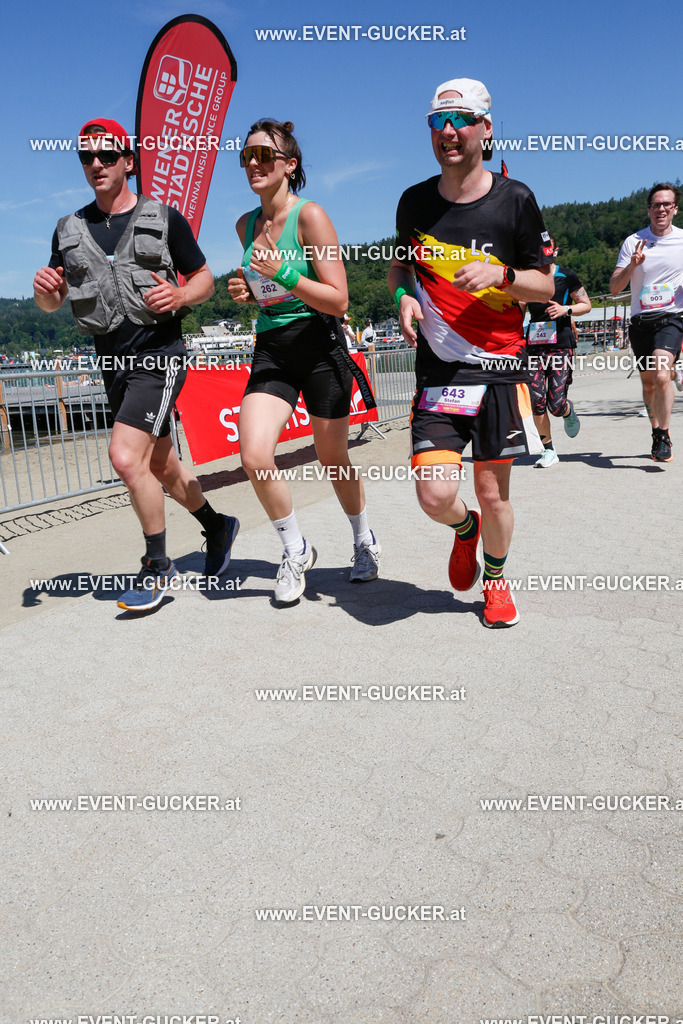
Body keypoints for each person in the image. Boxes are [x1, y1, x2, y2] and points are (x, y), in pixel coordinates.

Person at [33, 119, 239, 611]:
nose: (96, 164)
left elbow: (205, 278)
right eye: (87, 157)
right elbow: (51, 305)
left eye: (106, 155)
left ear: (130, 161)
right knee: (162, 464)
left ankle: (156, 568)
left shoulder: (165, 218)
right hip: (111, 361)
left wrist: (183, 292)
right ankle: (218, 527)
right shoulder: (68, 230)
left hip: (159, 356)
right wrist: (48, 296)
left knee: (126, 458)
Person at [387, 78, 554, 627]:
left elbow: (546, 287)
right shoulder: (413, 202)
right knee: (435, 495)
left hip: (501, 367)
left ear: (486, 128)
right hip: (440, 369)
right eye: (440, 122)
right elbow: (400, 268)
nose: (450, 132)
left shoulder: (517, 199)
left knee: (493, 491)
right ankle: (465, 529)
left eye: (461, 121)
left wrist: (503, 274)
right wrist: (404, 299)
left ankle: (497, 581)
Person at [227, 119, 380, 603]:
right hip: (273, 347)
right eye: (246, 156)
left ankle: (363, 540)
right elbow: (270, 292)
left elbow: (338, 299)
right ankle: (295, 550)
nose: (253, 163)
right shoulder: (245, 226)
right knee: (254, 455)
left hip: (319, 344)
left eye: (264, 156)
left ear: (289, 166)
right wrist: (250, 293)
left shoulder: (310, 216)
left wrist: (284, 272)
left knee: (333, 458)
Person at [611, 183, 683, 463]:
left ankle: (664, 435)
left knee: (662, 374)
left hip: (672, 316)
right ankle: (655, 431)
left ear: (675, 209)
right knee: (649, 383)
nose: (661, 209)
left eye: (667, 204)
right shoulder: (633, 242)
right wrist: (632, 265)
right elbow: (615, 288)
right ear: (649, 209)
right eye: (656, 205)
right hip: (641, 320)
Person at [523, 236, 591, 467]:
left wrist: (566, 309)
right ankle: (548, 450)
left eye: (547, 248)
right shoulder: (527, 278)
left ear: (555, 250)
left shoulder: (566, 275)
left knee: (556, 404)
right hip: (534, 347)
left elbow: (586, 304)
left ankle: (568, 411)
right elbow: (518, 307)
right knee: (537, 401)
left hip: (561, 345)